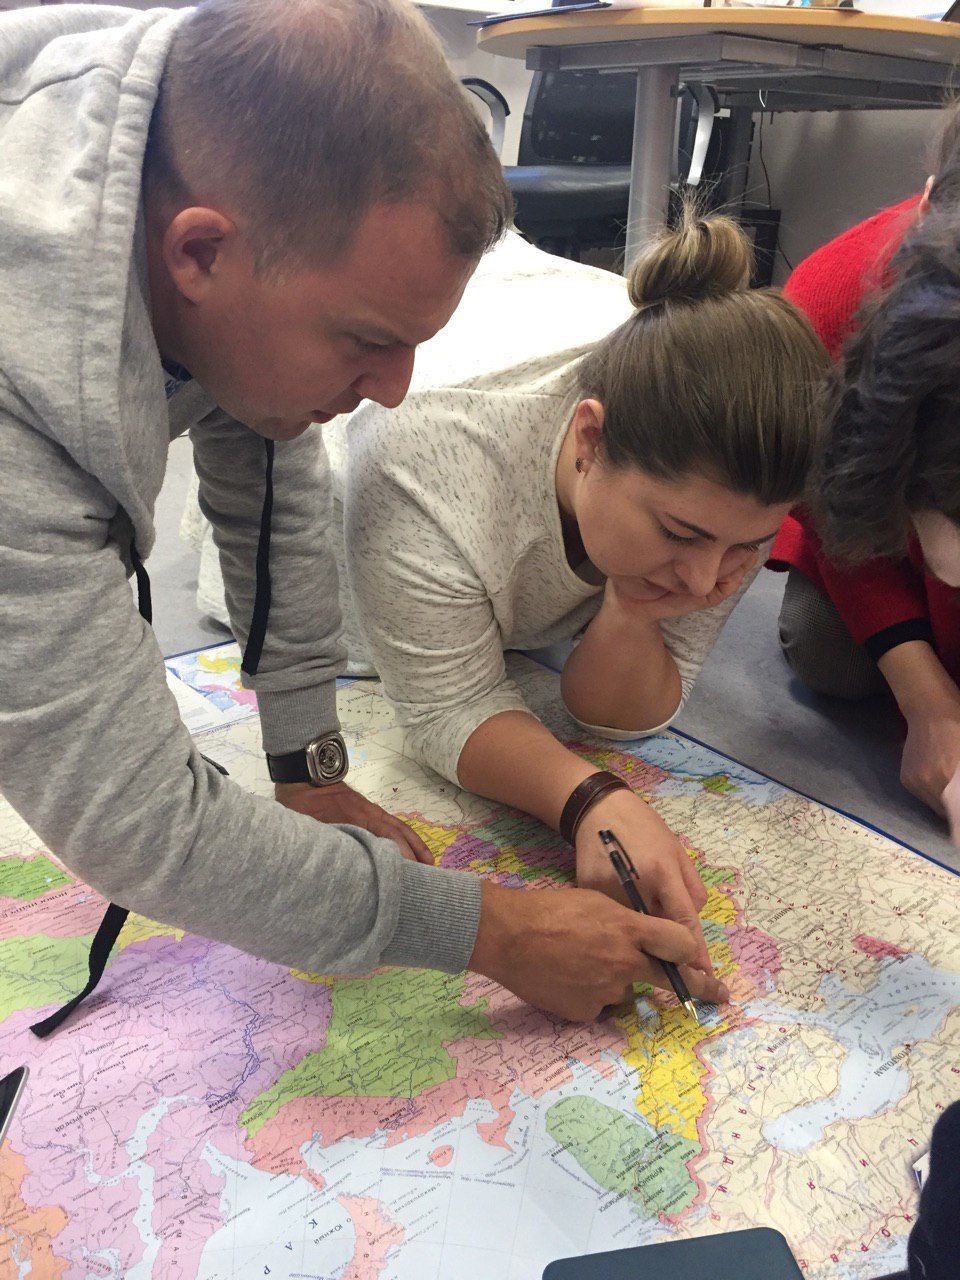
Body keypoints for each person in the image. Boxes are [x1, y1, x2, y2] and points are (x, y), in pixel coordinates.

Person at [0, 0, 723, 1028]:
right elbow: (138, 822)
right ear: (197, 254)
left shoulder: (184, 145)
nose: (395, 391)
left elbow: (270, 470)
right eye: (367, 339)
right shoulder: (18, 397)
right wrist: (498, 933)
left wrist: (305, 762)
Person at [189, 207, 828, 965]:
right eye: (680, 535)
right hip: (325, 542)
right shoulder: (421, 451)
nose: (704, 579)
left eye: (745, 548)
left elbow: (620, 716)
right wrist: (590, 798)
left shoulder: (730, 479)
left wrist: (631, 611)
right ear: (590, 439)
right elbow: (445, 708)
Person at [769, 100, 960, 832]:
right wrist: (927, 702)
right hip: (873, 541)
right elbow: (834, 514)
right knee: (828, 655)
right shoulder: (825, 304)